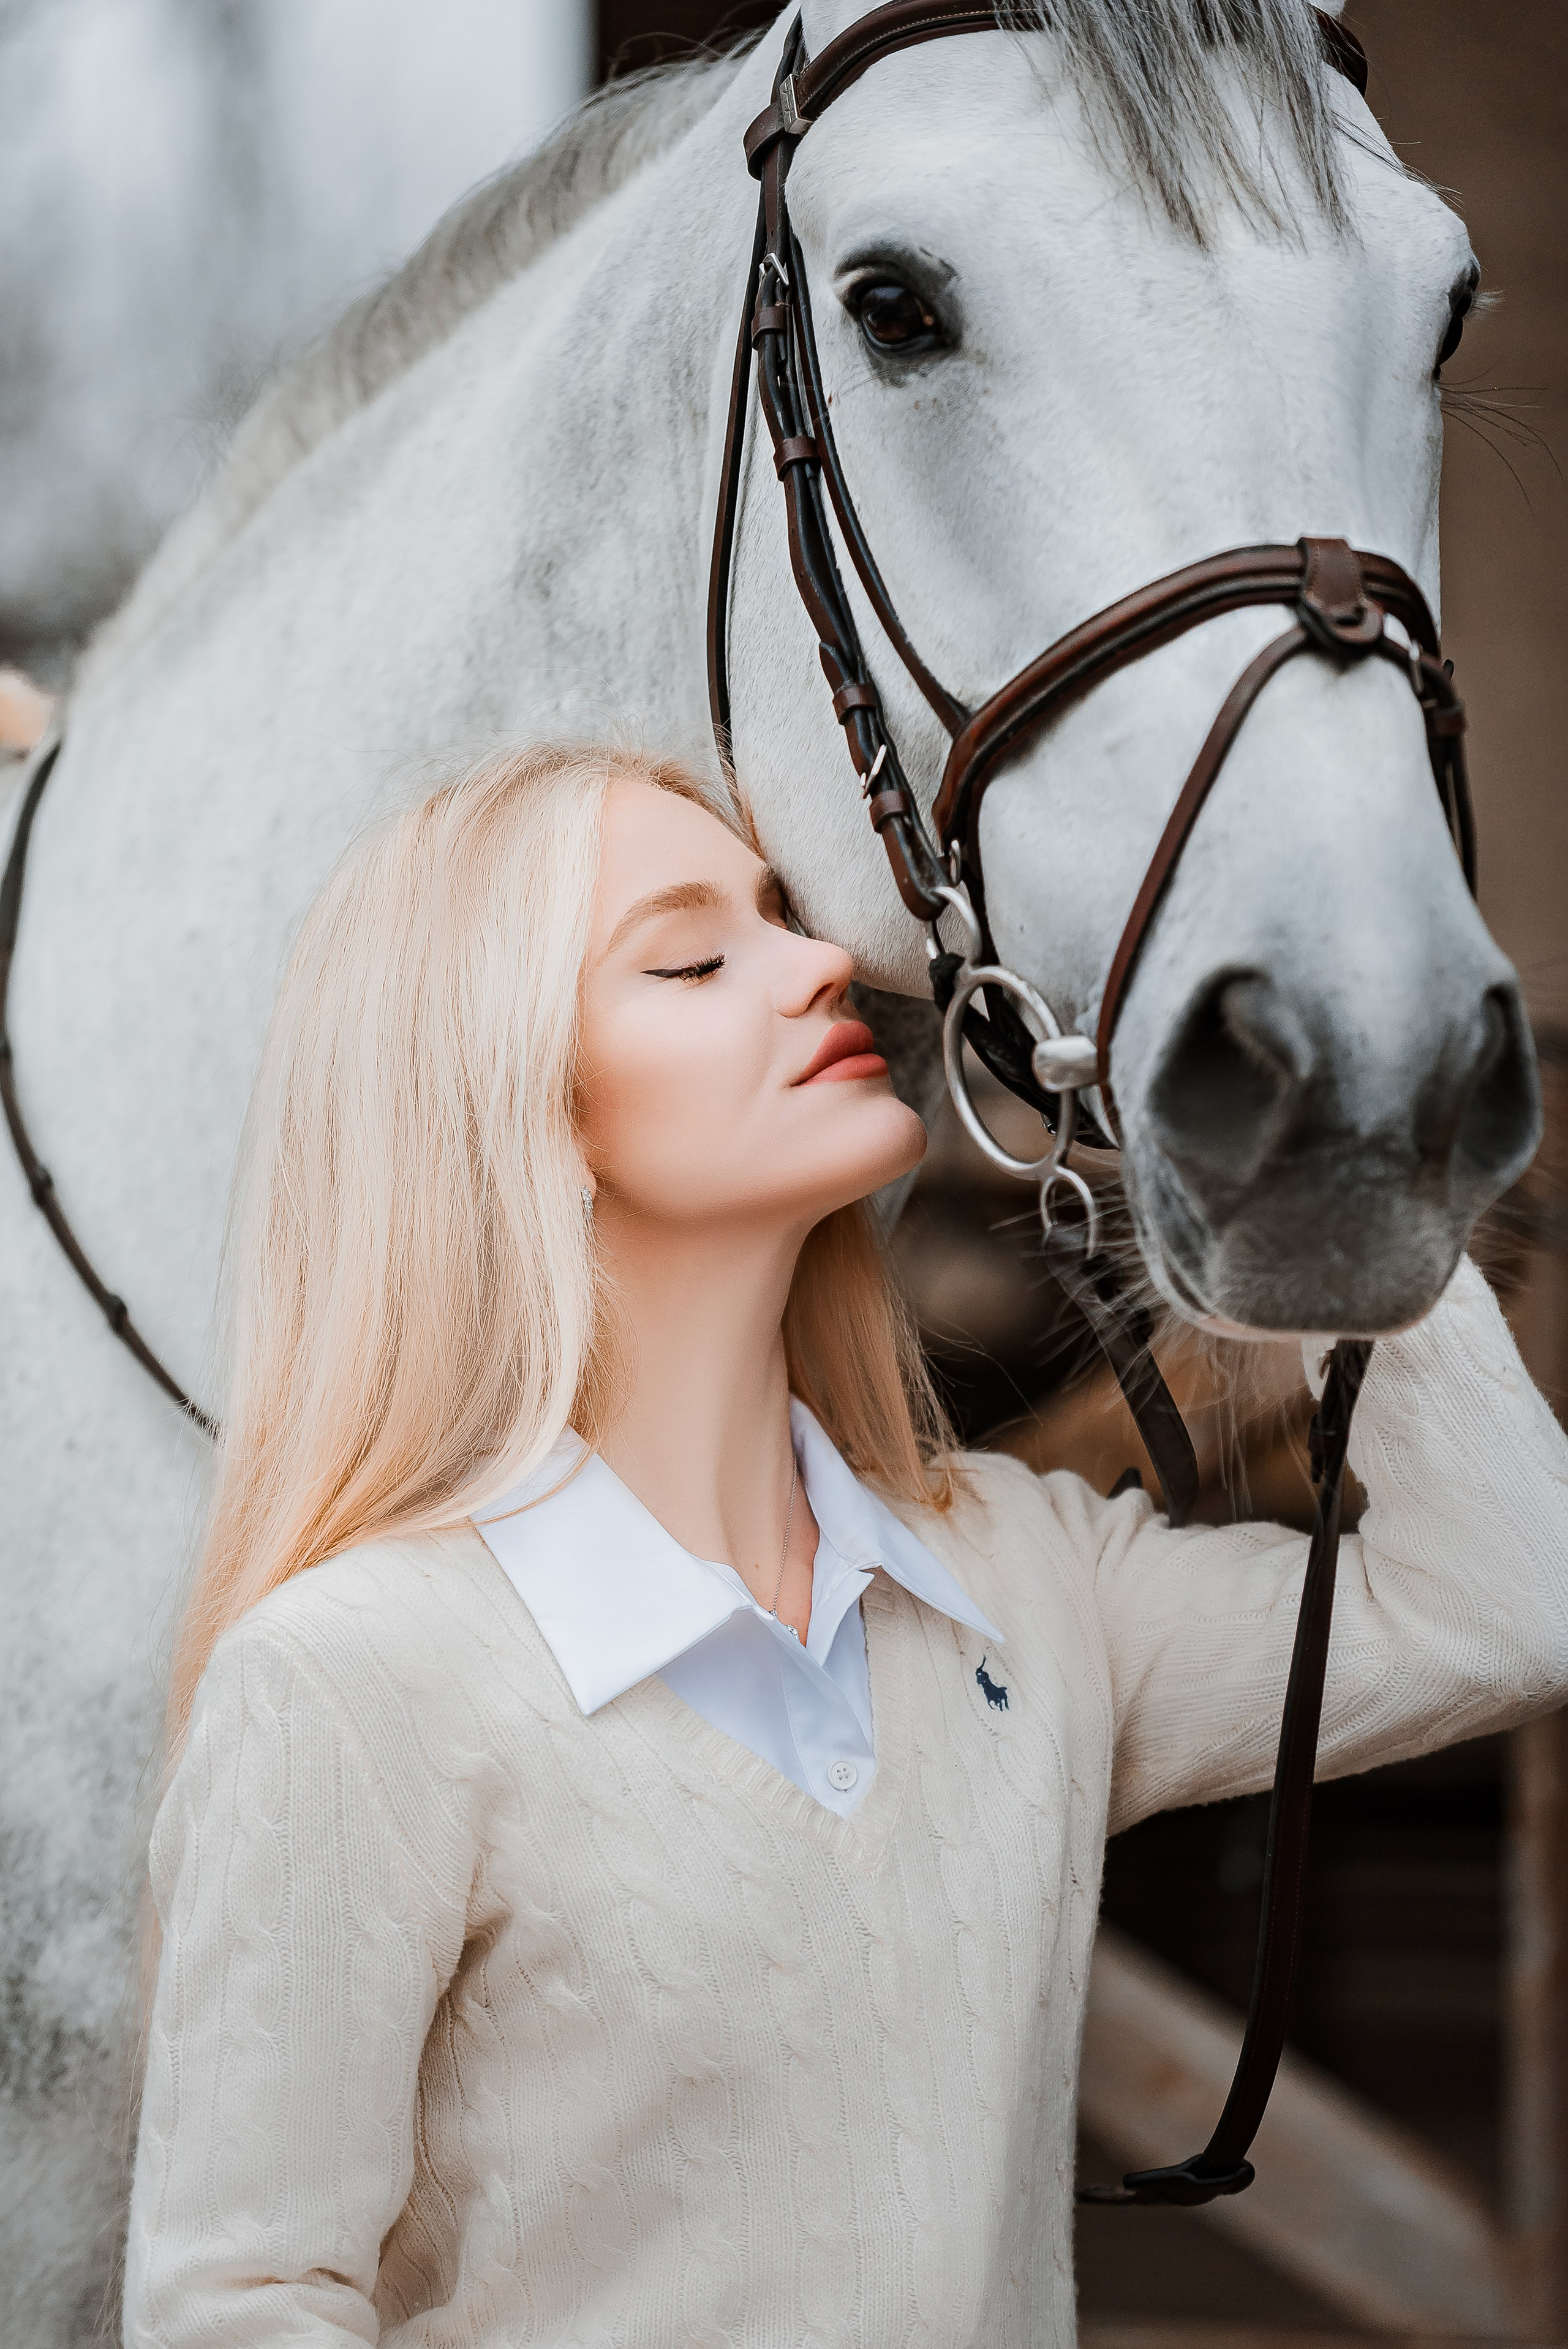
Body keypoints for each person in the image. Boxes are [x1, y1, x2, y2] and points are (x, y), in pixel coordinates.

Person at [125, 741, 1568, 2347]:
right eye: (691, 956)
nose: (824, 959)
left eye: (783, 915)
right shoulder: (348, 1680)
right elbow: (238, 2308)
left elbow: (1512, 1601)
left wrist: (1330, 1154)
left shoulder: (1030, 1584)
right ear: (515, 1101)